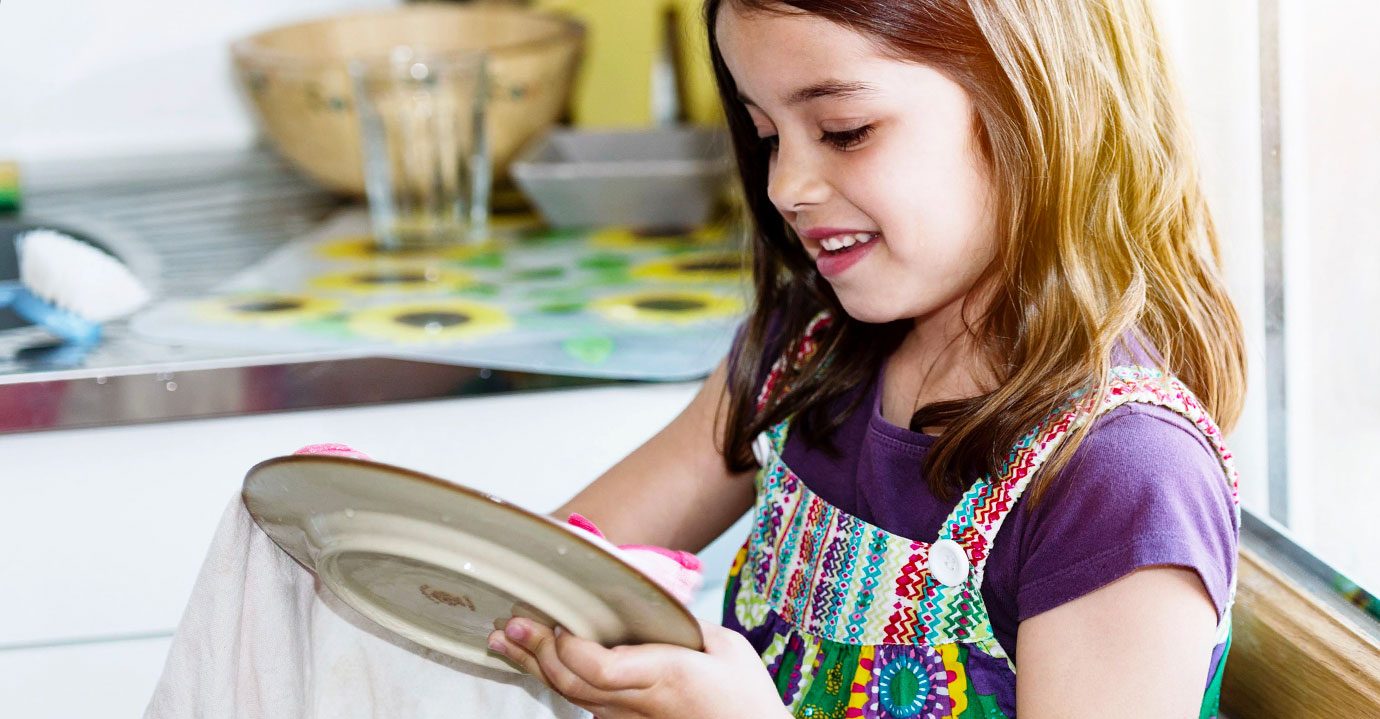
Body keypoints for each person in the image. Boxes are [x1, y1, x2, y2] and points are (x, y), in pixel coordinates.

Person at [485, 0, 1247, 717]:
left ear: (1039, 102)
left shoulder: (1123, 478)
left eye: (845, 130)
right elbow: (555, 565)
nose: (785, 186)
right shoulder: (805, 352)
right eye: (766, 136)